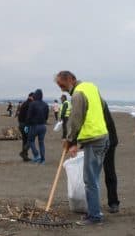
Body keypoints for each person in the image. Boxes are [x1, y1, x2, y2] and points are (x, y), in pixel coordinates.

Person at [55, 71, 109, 226]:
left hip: (94, 140)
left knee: (90, 180)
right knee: (93, 179)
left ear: (71, 79)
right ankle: (93, 211)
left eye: (62, 85)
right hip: (102, 137)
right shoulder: (91, 87)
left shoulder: (78, 94)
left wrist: (71, 142)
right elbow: (103, 106)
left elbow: (76, 119)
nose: (62, 89)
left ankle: (94, 216)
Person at [101, 99, 120, 213]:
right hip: (99, 139)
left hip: (107, 140)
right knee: (108, 172)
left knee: (109, 171)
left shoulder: (98, 103)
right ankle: (113, 203)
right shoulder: (99, 102)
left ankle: (113, 202)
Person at [25, 89, 49, 164]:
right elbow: (46, 117)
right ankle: (43, 160)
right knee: (41, 143)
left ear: (35, 95)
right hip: (43, 126)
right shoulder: (45, 104)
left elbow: (29, 116)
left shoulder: (33, 104)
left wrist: (27, 125)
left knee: (31, 141)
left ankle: (36, 155)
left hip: (34, 126)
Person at [16, 92, 33, 161]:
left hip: (21, 124)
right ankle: (23, 153)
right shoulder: (29, 104)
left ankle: (25, 156)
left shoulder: (25, 103)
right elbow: (29, 116)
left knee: (25, 140)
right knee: (30, 140)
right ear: (31, 97)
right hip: (25, 125)